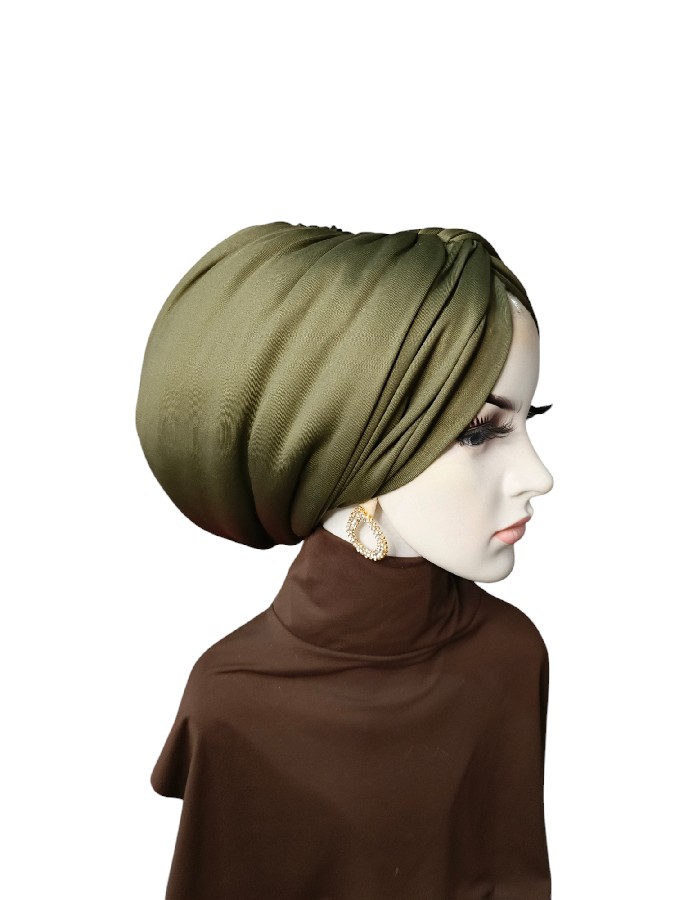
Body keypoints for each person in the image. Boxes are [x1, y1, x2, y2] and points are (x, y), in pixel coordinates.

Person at [136, 222, 555, 899]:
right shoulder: (234, 698)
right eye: (481, 432)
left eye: (530, 418)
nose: (538, 477)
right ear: (349, 446)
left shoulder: (511, 655)